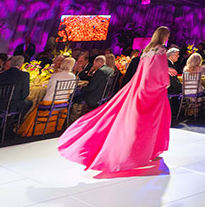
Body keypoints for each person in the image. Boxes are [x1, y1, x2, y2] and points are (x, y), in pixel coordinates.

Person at [59, 26, 172, 172]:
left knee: (134, 120)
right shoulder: (161, 49)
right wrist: (165, 82)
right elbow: (159, 71)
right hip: (153, 90)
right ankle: (146, 150)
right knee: (152, 120)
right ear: (164, 36)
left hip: (139, 88)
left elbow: (146, 69)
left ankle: (137, 149)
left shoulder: (146, 51)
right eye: (167, 35)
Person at [18, 57, 78, 136]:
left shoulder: (55, 75)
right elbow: (71, 91)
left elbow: (48, 89)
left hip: (48, 102)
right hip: (62, 102)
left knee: (36, 106)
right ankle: (54, 128)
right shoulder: (72, 76)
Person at [0, 54, 33, 120]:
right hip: (11, 105)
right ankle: (15, 122)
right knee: (29, 102)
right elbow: (25, 94)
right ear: (21, 64)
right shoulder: (24, 75)